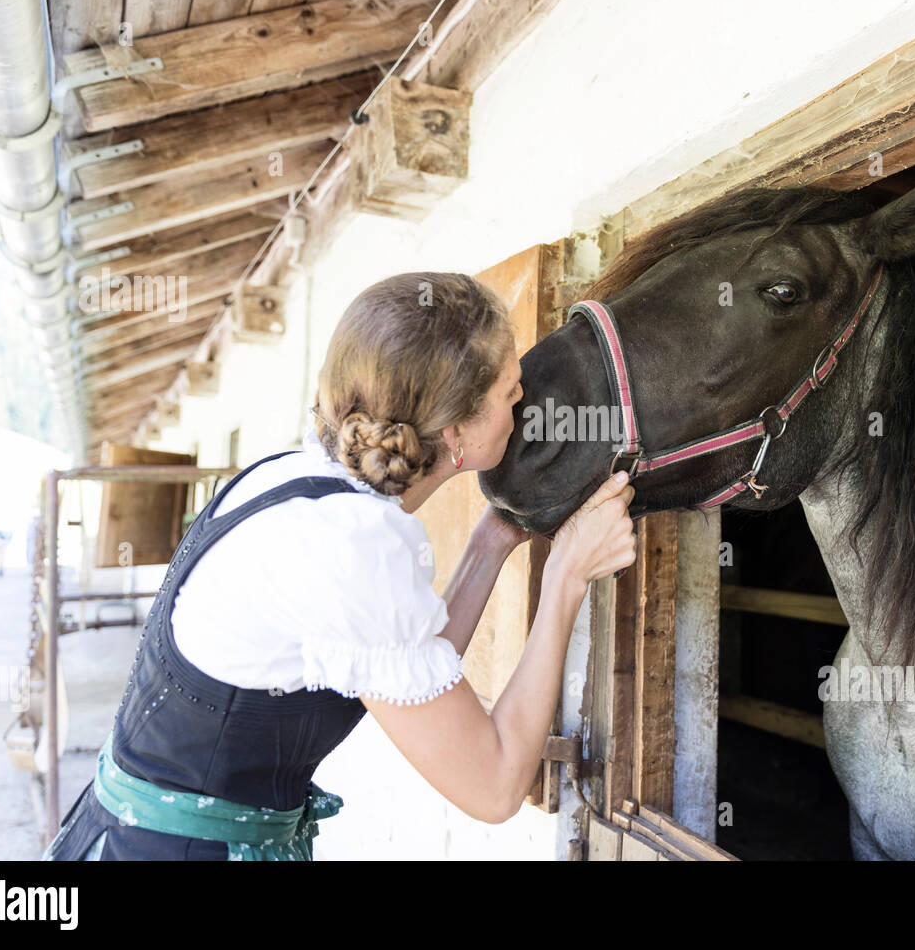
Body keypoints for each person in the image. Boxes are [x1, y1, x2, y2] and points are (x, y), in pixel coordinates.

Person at [42, 271, 635, 860]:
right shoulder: (348, 546)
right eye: (510, 391)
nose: (522, 401)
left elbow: (415, 674)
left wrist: (492, 541)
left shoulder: (299, 481)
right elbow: (497, 785)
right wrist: (567, 575)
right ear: (456, 429)